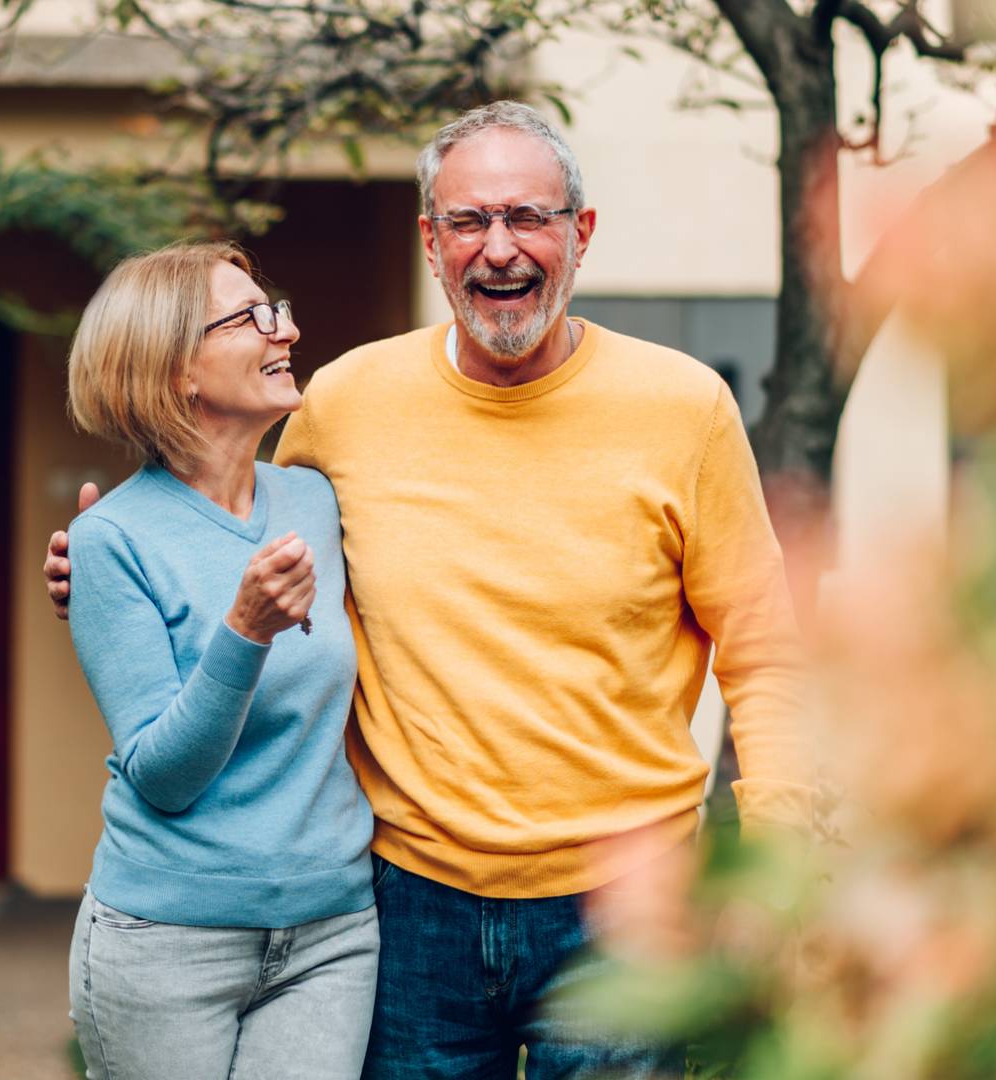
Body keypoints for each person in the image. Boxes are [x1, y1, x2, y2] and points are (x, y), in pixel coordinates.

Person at [47, 103, 813, 1079]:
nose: (499, 249)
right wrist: (100, 571)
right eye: (468, 221)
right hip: (407, 904)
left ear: (580, 233)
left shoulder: (685, 408)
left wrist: (777, 866)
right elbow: (222, 531)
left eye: (528, 217)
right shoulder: (345, 404)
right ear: (430, 241)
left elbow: (765, 650)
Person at [59, 241, 379, 1080]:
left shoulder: (315, 498)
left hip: (331, 932)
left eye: (277, 309)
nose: (290, 329)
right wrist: (244, 630)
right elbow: (163, 776)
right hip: (167, 941)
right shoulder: (111, 541)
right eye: (252, 318)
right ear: (175, 374)